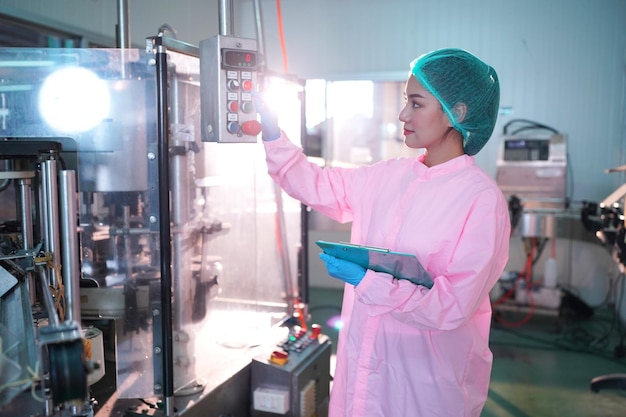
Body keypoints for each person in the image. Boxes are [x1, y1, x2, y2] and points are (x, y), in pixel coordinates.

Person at [256, 48, 511, 417]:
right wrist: (273, 134)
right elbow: (316, 185)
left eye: (417, 104)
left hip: (427, 384)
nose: (403, 114)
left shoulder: (480, 200)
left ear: (457, 113)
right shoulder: (388, 176)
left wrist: (368, 281)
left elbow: (451, 306)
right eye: (406, 101)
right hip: (364, 369)